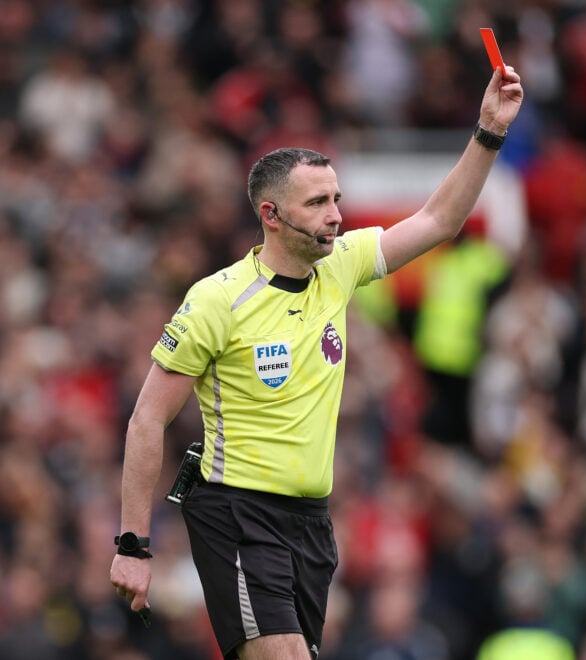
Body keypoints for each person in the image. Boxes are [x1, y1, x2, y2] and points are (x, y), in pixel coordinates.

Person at [109, 65, 523, 660]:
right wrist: (133, 544)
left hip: (311, 525)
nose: (335, 214)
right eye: (318, 202)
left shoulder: (340, 266)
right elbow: (147, 419)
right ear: (272, 216)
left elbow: (440, 220)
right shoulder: (218, 300)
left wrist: (488, 132)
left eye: (336, 199)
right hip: (238, 514)